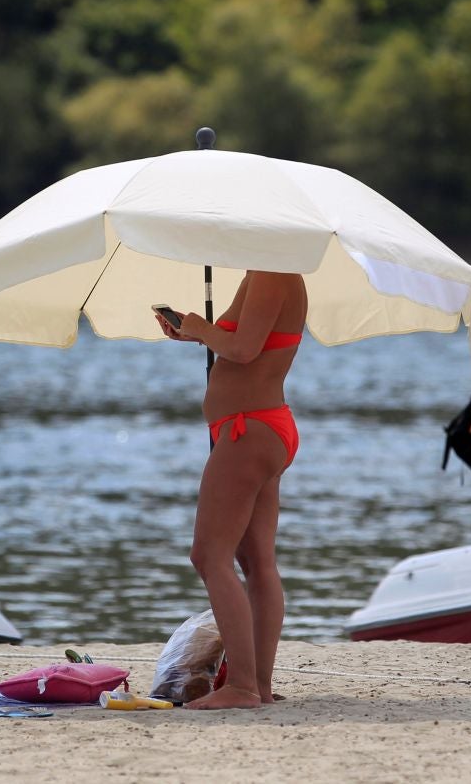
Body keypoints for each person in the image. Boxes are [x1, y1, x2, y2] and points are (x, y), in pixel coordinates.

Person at [155, 269, 307, 709]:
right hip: (257, 425)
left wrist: (204, 328)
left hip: (250, 428)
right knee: (255, 560)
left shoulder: (273, 269)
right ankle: (255, 685)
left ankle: (241, 685)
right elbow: (246, 343)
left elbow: (243, 350)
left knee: (209, 555)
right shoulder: (272, 269)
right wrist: (197, 336)